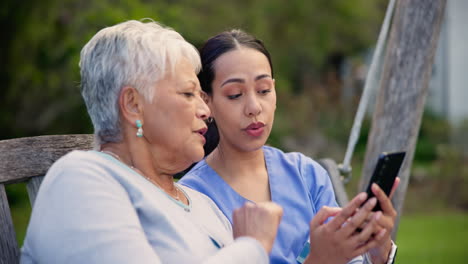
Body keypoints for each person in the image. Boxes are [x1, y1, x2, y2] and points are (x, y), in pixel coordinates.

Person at [20, 20, 283, 264]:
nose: (205, 110)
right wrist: (252, 246)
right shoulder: (81, 179)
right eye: (188, 93)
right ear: (133, 105)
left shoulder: (202, 203)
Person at [179, 29, 399, 264]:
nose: (254, 107)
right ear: (206, 100)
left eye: (264, 90)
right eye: (235, 95)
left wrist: (378, 251)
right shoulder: (193, 197)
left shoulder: (306, 175)